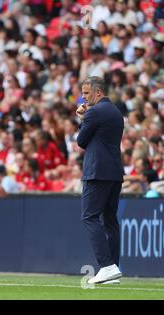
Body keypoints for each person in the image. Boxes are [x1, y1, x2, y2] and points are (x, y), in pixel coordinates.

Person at [76, 77, 124, 285]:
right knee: (110, 221)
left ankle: (107, 266)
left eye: (86, 93)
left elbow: (81, 141)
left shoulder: (95, 112)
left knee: (89, 217)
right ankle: (113, 268)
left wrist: (83, 118)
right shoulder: (115, 111)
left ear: (98, 92)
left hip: (97, 172)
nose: (83, 97)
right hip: (114, 172)